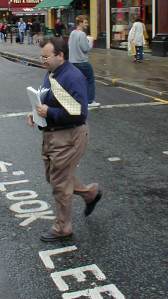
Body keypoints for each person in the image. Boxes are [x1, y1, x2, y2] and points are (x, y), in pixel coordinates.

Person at [27, 37, 102, 242]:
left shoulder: (72, 77)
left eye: (46, 56)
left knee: (59, 181)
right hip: (52, 133)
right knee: (55, 176)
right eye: (41, 56)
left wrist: (49, 111)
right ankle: (90, 194)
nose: (42, 60)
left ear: (60, 55)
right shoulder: (52, 72)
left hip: (69, 134)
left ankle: (63, 227)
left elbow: (79, 112)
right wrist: (35, 112)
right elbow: (48, 98)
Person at [68, 15, 100, 107]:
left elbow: (69, 46)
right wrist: (90, 41)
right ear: (80, 23)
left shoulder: (72, 33)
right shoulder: (82, 34)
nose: (87, 24)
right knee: (90, 80)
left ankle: (77, 99)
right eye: (85, 22)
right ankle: (90, 101)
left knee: (78, 81)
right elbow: (85, 48)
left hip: (73, 62)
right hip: (82, 62)